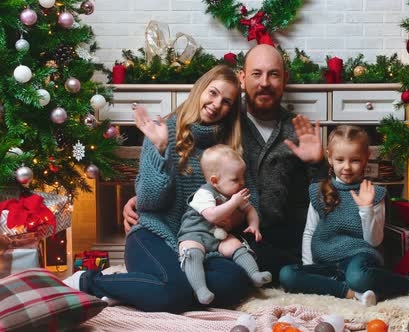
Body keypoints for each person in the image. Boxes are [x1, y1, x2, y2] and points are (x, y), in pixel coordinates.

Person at [123, 44, 325, 280]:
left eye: (274, 74)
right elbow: (178, 177)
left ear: (285, 79)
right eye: (256, 74)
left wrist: (318, 163)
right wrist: (138, 200)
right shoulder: (222, 124)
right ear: (242, 77)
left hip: (266, 235)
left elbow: (323, 197)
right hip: (223, 233)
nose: (265, 83)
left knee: (253, 276)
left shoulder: (295, 130)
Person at [63, 65, 254, 312]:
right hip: (153, 235)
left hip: (200, 246)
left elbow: (249, 199)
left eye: (226, 101)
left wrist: (233, 216)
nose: (217, 104)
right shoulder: (163, 131)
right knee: (173, 293)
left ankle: (142, 289)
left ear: (231, 110)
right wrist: (162, 151)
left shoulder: (229, 146)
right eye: (213, 93)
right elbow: (149, 202)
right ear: (200, 90)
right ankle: (90, 281)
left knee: (235, 282)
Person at [279, 125, 409, 305]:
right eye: (340, 159)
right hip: (325, 262)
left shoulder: (374, 193)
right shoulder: (318, 191)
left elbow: (375, 241)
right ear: (329, 157)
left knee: (358, 277)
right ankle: (353, 293)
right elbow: (309, 232)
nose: (346, 167)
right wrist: (309, 268)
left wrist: (366, 208)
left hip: (359, 259)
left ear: (366, 158)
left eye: (354, 160)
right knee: (287, 274)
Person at [178, 144, 272, 304]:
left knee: (236, 246)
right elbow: (212, 216)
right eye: (236, 179)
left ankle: (254, 274)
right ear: (215, 181)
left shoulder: (233, 193)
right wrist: (234, 203)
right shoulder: (204, 193)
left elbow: (250, 210)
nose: (242, 182)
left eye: (243, 177)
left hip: (218, 237)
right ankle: (200, 290)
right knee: (191, 252)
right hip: (194, 234)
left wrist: (253, 224)